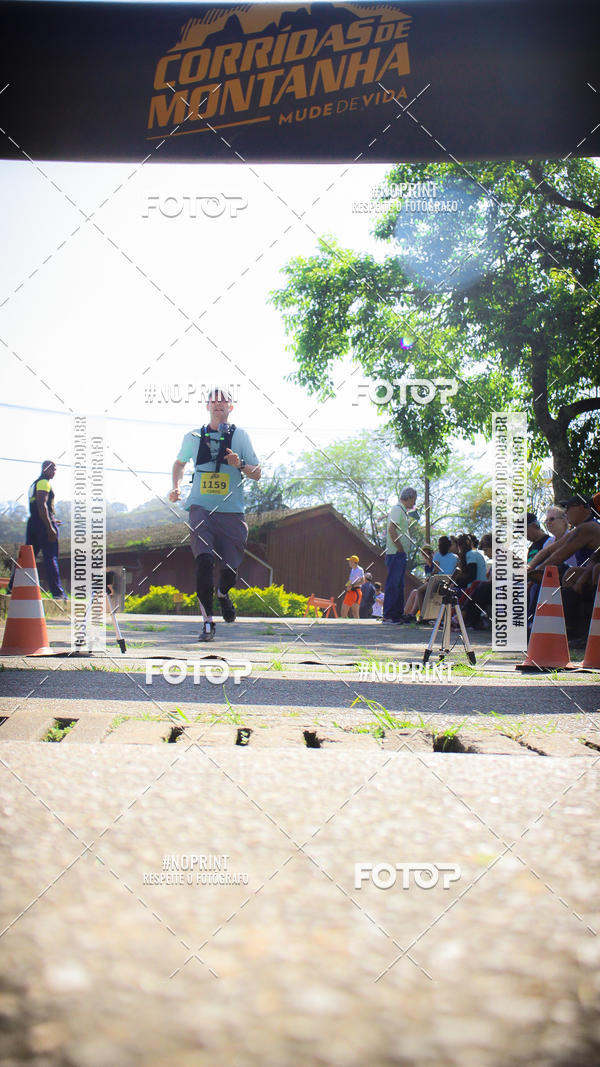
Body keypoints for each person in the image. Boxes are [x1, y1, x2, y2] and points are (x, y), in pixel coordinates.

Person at [169, 387, 261, 641]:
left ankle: (223, 594)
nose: (219, 404)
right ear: (207, 406)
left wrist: (240, 465)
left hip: (231, 512)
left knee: (230, 569)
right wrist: (176, 487)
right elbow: (179, 463)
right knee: (204, 562)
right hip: (200, 508)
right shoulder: (193, 436)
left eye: (224, 401)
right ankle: (208, 623)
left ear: (231, 407)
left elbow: (257, 472)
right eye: (214, 401)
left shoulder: (240, 436)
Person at [8, 460, 67, 599]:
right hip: (42, 525)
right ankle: (58, 593)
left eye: (55, 469)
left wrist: (52, 519)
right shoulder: (43, 483)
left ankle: (12, 587)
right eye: (52, 469)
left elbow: (37, 509)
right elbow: (42, 506)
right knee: (50, 557)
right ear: (45, 469)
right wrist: (50, 527)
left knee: (27, 559)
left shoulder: (34, 484)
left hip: (33, 524)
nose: (54, 472)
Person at [383, 487, 417, 623]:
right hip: (396, 553)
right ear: (408, 498)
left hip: (399, 554)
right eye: (413, 500)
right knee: (393, 584)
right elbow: (392, 528)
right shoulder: (397, 509)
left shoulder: (402, 510)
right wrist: (399, 548)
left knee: (399, 584)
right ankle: (389, 614)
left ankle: (397, 614)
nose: (414, 504)